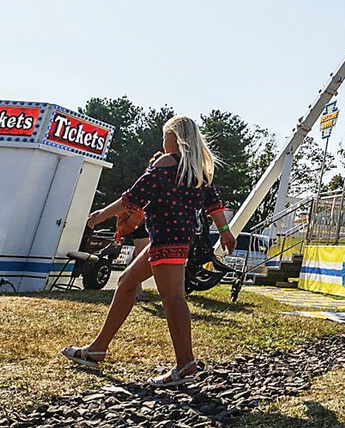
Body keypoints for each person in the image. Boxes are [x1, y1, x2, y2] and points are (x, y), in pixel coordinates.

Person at [62, 115, 236, 385]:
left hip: (165, 238)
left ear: (174, 138)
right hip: (178, 238)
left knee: (173, 298)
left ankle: (186, 363)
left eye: (165, 135)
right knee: (127, 282)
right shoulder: (198, 171)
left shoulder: (165, 164)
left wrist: (100, 215)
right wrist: (226, 233)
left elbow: (132, 198)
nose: (162, 141)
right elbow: (214, 205)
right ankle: (97, 348)